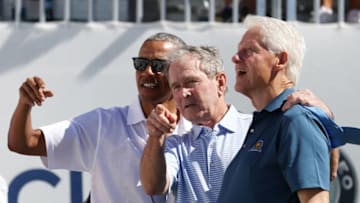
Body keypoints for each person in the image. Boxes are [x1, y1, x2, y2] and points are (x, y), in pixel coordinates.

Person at [7, 32, 191, 203]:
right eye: (141, 64)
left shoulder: (199, 129)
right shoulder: (104, 124)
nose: (147, 72)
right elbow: (24, 143)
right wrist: (25, 104)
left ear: (180, 71)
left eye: (159, 65)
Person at [140, 45, 339, 202]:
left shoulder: (259, 129)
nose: (183, 93)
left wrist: (323, 117)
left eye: (191, 82)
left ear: (220, 82)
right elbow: (153, 187)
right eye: (176, 87)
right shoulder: (175, 144)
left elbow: (323, 171)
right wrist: (155, 137)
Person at [218, 15, 332, 202]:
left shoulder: (296, 120)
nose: (235, 58)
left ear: (280, 60)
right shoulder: (269, 122)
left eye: (249, 51)